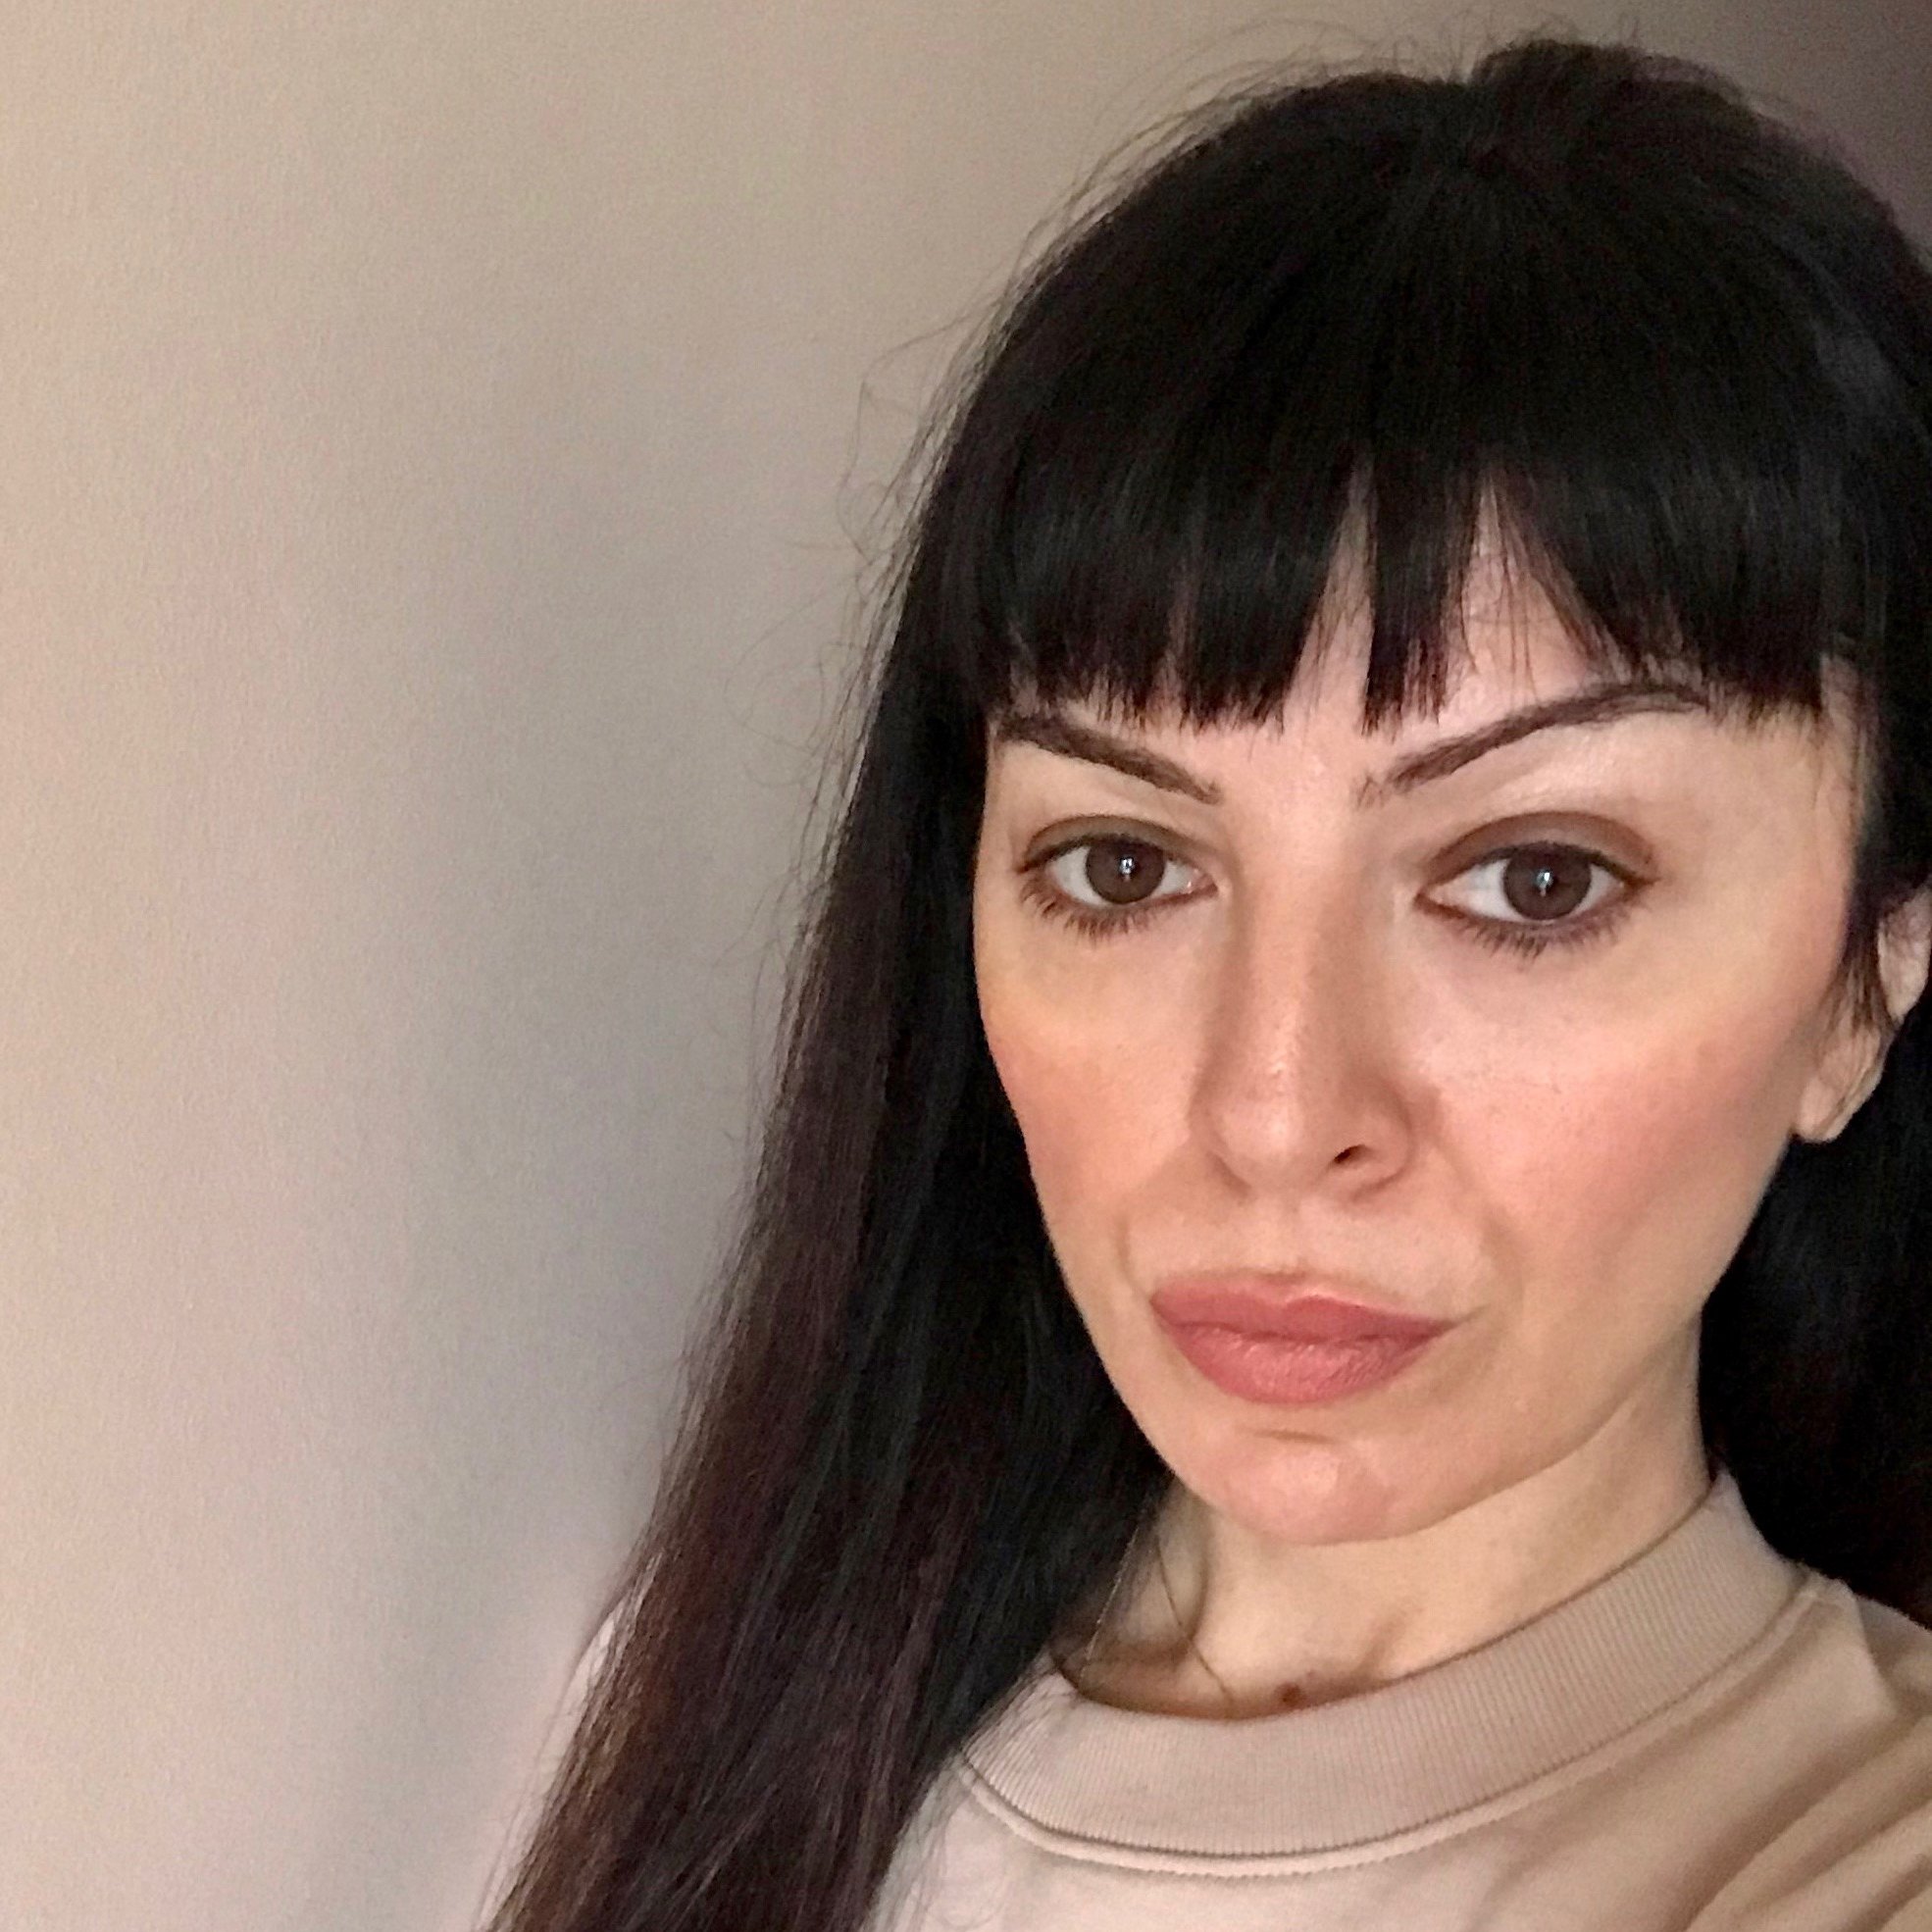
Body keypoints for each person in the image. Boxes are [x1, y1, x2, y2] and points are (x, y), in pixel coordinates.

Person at [480, 32, 1932, 1932]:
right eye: (1124, 864)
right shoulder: (699, 1713)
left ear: (1864, 980)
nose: (1272, 1110)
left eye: (1535, 879)